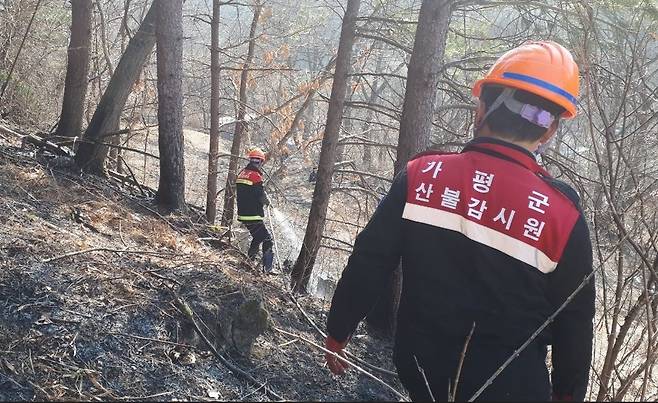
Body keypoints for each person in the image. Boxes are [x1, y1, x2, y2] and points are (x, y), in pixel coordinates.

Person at [324, 41, 595, 401]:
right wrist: (568, 395)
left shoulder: (422, 177)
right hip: (514, 389)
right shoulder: (563, 216)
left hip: (422, 374)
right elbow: (574, 323)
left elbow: (370, 260)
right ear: (549, 131)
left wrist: (338, 331)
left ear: (480, 108)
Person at [236, 147, 275, 274]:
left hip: (243, 213)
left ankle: (249, 263)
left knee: (257, 238)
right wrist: (267, 201)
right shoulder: (255, 176)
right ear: (260, 162)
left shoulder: (242, 173)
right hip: (253, 214)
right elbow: (259, 195)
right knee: (267, 239)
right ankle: (267, 270)